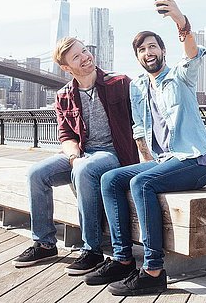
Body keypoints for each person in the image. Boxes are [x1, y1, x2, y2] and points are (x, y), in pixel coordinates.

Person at [82, 0, 206, 295]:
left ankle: (153, 269)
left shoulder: (180, 77)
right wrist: (148, 160)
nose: (148, 52)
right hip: (164, 160)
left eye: (152, 46)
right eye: (141, 49)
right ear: (138, 57)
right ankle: (123, 259)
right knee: (110, 179)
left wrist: (180, 21)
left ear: (163, 51)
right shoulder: (139, 87)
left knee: (142, 184)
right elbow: (140, 129)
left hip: (195, 160)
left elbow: (192, 54)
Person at [11, 37, 139, 275]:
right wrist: (74, 157)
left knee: (84, 170)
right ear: (66, 67)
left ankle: (92, 250)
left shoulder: (120, 83)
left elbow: (143, 120)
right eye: (77, 57)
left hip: (114, 154)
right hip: (83, 153)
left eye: (85, 51)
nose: (86, 57)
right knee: (36, 174)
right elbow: (67, 136)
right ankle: (45, 243)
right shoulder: (64, 95)